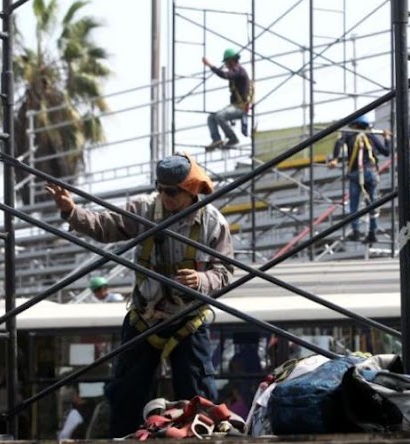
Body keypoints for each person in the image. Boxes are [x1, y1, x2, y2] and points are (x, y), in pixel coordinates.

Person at [45, 153, 234, 437]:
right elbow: (105, 226)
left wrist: (201, 280)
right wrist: (72, 211)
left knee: (198, 397)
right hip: (145, 316)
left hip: (188, 320)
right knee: (126, 395)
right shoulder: (144, 209)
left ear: (191, 189)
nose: (163, 196)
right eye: (159, 187)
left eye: (171, 191)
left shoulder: (213, 223)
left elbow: (226, 271)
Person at [327, 113, 391, 243]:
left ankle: (356, 232)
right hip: (371, 173)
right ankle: (372, 233)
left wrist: (335, 159)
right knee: (372, 205)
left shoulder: (349, 134)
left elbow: (339, 143)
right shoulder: (370, 136)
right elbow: (386, 151)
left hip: (355, 173)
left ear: (354, 125)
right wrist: (387, 138)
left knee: (354, 206)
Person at [202, 48, 251, 150]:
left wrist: (210, 66)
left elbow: (225, 75)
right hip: (235, 106)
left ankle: (233, 139)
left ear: (232, 61)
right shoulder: (235, 72)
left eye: (227, 63)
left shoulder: (238, 70)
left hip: (241, 108)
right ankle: (216, 140)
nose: (226, 66)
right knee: (211, 117)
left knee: (220, 116)